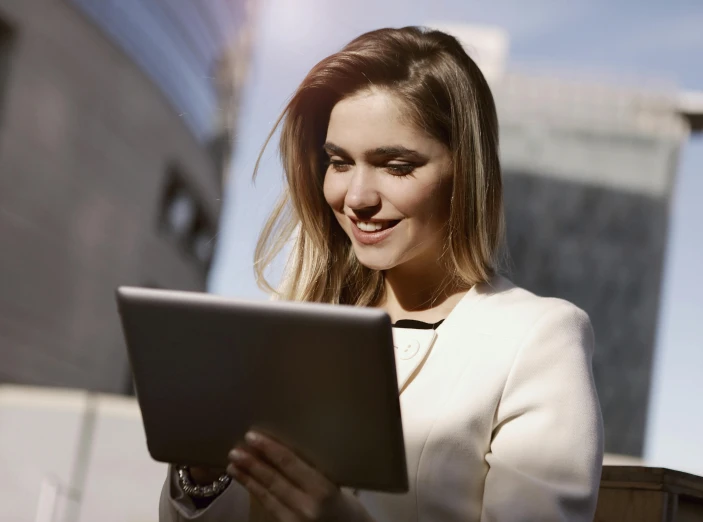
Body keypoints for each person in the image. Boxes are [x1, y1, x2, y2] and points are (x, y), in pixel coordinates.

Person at [159, 26, 604, 522]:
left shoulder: (537, 338)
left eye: (395, 165)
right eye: (339, 162)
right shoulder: (288, 325)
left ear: (465, 170)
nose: (356, 198)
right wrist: (202, 474)